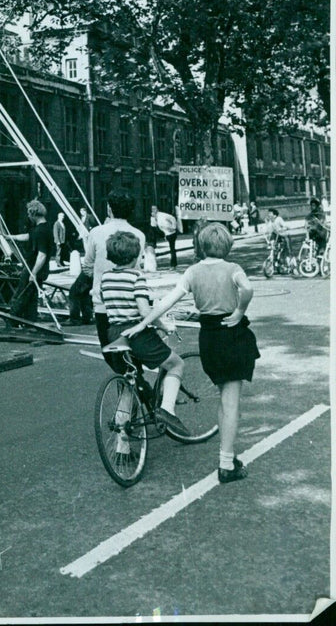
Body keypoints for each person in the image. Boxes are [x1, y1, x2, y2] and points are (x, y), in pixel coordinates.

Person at [124, 221, 260, 484]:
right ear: (227, 244)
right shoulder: (233, 268)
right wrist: (239, 311)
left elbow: (167, 301)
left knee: (224, 397)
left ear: (201, 245)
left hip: (208, 337)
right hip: (232, 334)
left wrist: (143, 323)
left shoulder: (193, 272)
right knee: (231, 402)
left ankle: (227, 459)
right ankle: (226, 464)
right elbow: (248, 289)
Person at [100, 231, 188, 437]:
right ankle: (167, 410)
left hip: (114, 333)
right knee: (176, 364)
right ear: (134, 257)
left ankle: (121, 443)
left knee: (128, 384)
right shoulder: (136, 277)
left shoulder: (106, 277)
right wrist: (164, 325)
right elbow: (144, 312)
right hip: (137, 334)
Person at [81, 187, 145, 368]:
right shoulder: (139, 235)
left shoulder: (96, 233)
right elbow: (136, 268)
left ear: (109, 208)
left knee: (111, 354)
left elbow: (87, 266)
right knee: (133, 356)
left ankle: (137, 392)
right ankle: (140, 392)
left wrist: (100, 280)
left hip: (104, 304)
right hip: (131, 304)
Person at [8, 199, 55, 322]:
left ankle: (13, 320)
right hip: (38, 268)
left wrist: (33, 273)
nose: (28, 217)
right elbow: (28, 236)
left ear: (33, 213)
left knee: (22, 295)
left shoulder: (41, 231)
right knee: (31, 296)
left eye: (29, 214)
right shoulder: (43, 228)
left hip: (34, 268)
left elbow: (42, 255)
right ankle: (30, 320)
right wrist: (10, 237)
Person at [151, 204, 178, 269]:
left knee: (172, 249)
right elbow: (153, 226)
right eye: (152, 209)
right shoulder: (154, 217)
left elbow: (173, 218)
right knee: (172, 249)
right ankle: (174, 264)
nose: (153, 211)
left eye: (154, 209)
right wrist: (153, 219)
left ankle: (173, 265)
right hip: (166, 234)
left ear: (157, 209)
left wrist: (173, 227)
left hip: (172, 233)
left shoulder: (162, 215)